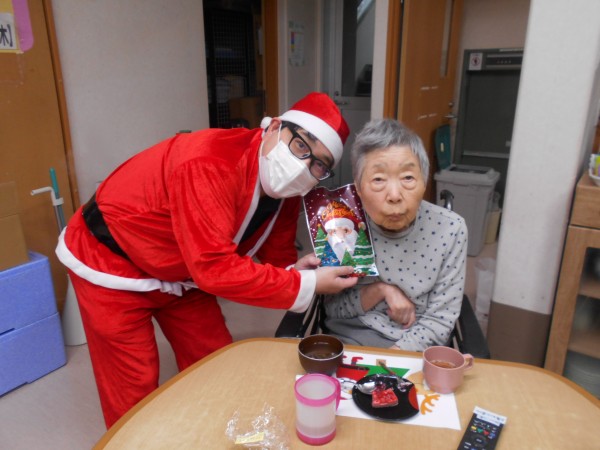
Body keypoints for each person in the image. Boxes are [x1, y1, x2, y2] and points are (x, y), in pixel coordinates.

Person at [55, 92, 358, 427]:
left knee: (213, 358)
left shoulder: (288, 192)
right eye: (301, 145)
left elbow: (276, 253)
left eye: (319, 164)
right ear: (273, 127)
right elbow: (214, 269)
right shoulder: (209, 161)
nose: (304, 166)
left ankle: (213, 432)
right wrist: (307, 284)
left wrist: (295, 271)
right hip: (111, 260)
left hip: (185, 271)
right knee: (132, 386)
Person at [323, 118, 467, 351]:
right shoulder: (343, 225)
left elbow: (440, 320)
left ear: (424, 181)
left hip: (417, 344)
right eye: (378, 179)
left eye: (408, 178)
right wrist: (380, 290)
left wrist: (394, 359)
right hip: (352, 339)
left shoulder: (450, 229)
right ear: (358, 188)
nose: (394, 195)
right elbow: (333, 308)